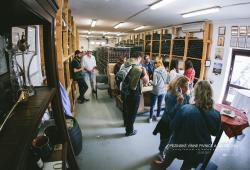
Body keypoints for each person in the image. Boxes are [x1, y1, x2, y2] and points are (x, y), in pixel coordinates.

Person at [154, 80, 221, 170]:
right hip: (200, 148)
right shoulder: (216, 114)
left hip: (180, 145)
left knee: (172, 148)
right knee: (187, 166)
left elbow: (173, 126)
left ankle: (163, 165)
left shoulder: (186, 109)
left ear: (195, 93)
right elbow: (215, 133)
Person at [153, 76, 190, 160]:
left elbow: (187, 107)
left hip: (178, 122)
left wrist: (187, 98)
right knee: (165, 139)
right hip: (168, 121)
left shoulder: (185, 95)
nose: (187, 89)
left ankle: (165, 149)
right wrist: (178, 103)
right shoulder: (170, 95)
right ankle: (161, 151)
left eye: (188, 86)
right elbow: (170, 112)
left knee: (172, 138)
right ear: (179, 87)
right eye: (185, 87)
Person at [123, 52, 149, 136]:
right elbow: (146, 81)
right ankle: (129, 131)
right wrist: (144, 71)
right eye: (141, 59)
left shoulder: (126, 64)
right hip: (134, 93)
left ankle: (126, 125)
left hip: (125, 91)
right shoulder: (138, 69)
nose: (141, 61)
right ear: (138, 57)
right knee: (132, 113)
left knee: (127, 110)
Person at [148, 57, 168, 123]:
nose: (154, 65)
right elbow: (166, 80)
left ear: (157, 63)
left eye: (154, 63)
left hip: (155, 90)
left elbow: (155, 83)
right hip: (162, 90)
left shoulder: (156, 71)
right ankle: (158, 117)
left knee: (153, 105)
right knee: (159, 105)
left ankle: (150, 118)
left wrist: (150, 81)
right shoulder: (165, 70)